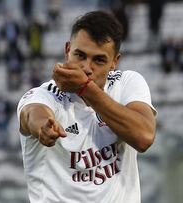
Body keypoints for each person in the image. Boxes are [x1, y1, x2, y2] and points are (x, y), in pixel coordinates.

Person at [17, 11, 157, 203]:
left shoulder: (127, 83)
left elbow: (144, 137)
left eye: (98, 60)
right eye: (79, 55)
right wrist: (42, 128)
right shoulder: (44, 95)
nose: (86, 68)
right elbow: (32, 114)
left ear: (115, 62)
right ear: (67, 50)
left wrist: (85, 88)